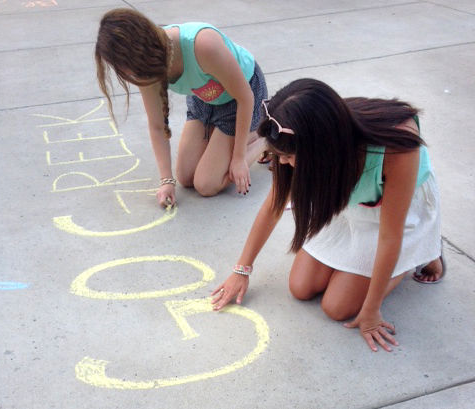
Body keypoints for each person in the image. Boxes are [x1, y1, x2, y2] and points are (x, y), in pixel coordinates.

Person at [212, 78, 445, 352]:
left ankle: (420, 252)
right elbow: (272, 206)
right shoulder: (297, 137)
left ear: (322, 147)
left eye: (289, 157)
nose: (284, 163)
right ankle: (386, 260)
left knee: (337, 307)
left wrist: (371, 312)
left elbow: (389, 236)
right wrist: (242, 269)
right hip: (351, 203)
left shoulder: (397, 147)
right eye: (280, 156)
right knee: (301, 287)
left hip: (394, 213)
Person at [95, 8, 268, 206]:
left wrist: (238, 159)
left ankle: (266, 137)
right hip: (204, 99)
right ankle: (223, 140)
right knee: (185, 177)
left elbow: (245, 97)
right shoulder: (142, 68)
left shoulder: (202, 44)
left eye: (125, 65)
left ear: (140, 49)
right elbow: (156, 125)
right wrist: (166, 181)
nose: (127, 72)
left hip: (240, 99)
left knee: (206, 184)